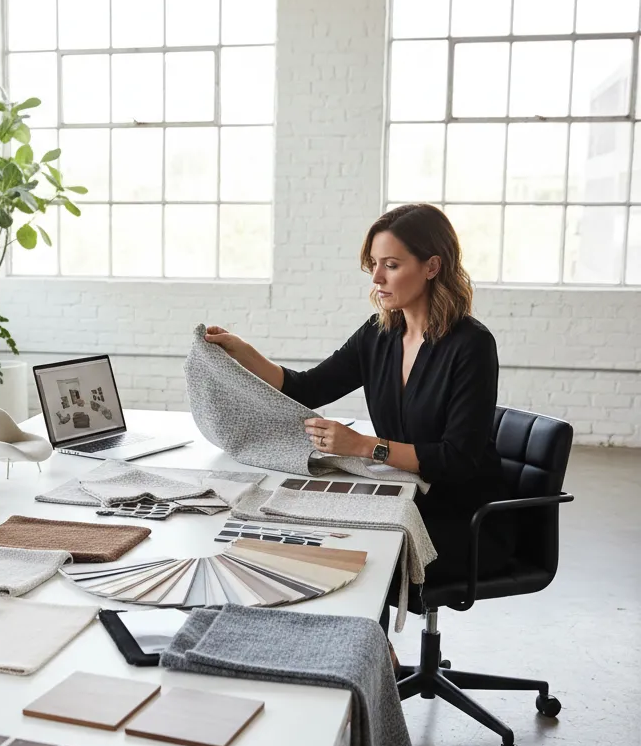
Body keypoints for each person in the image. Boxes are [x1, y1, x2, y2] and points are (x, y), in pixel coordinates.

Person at [205, 203, 513, 623]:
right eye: (374, 264)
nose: (376, 278)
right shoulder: (378, 333)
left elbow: (457, 460)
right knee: (296, 526)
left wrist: (366, 446)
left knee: (349, 548)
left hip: (460, 519)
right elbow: (307, 387)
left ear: (432, 266)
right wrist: (241, 351)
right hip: (403, 496)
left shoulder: (471, 345)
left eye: (391, 265)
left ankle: (366, 650)